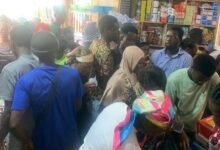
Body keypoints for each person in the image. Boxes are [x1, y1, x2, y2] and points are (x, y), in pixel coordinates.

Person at [10, 32, 84, 150]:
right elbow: (78, 106)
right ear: (56, 49)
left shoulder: (25, 81)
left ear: (33, 52)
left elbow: (14, 123)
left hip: (42, 143)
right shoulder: (73, 75)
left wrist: (27, 140)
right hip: (70, 141)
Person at [80, 90, 175, 150]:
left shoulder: (118, 106)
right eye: (161, 130)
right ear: (151, 128)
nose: (162, 133)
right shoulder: (131, 146)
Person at [0, 24, 39, 150]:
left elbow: (8, 113)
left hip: (20, 135)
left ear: (13, 42)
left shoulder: (11, 70)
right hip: (41, 131)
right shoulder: (42, 63)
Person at [166, 54, 220, 139]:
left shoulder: (213, 77)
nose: (202, 83)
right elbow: (169, 108)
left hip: (199, 125)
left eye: (207, 80)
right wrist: (179, 130)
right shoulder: (174, 80)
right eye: (200, 78)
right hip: (180, 126)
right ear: (192, 68)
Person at [90, 15, 120, 90]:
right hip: (103, 91)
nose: (118, 32)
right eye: (115, 29)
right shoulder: (105, 52)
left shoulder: (95, 42)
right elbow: (107, 79)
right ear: (105, 30)